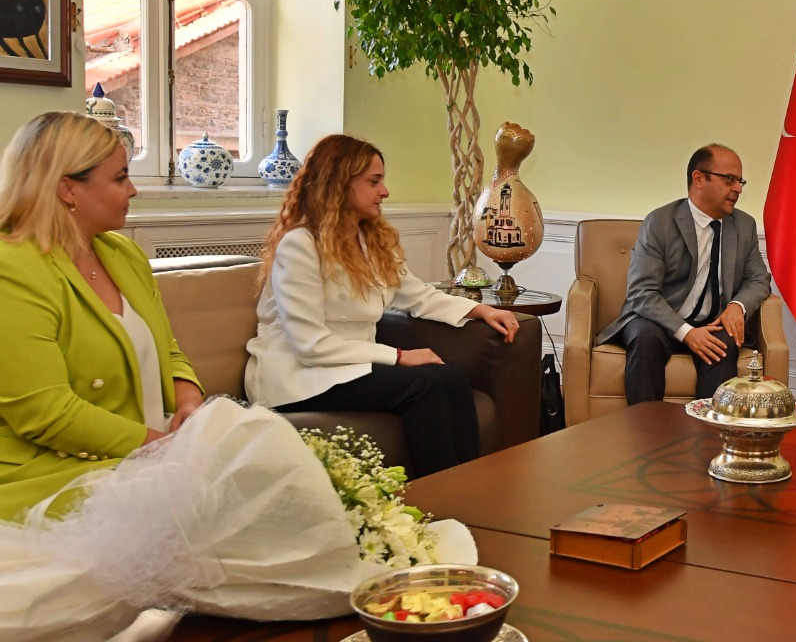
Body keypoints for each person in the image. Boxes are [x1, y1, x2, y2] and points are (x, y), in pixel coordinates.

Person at [245, 134, 520, 477]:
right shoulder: (299, 245)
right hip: (297, 374)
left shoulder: (371, 241)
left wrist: (480, 310)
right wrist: (400, 356)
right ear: (338, 184)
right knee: (424, 385)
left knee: (451, 377)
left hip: (351, 365)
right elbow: (309, 345)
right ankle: (440, 493)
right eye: (374, 182)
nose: (385, 191)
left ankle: (465, 485)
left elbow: (417, 296)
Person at [0, 112, 203, 521]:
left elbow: (167, 349)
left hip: (143, 455)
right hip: (53, 474)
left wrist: (189, 401)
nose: (133, 190)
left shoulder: (123, 254)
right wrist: (162, 450)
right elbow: (48, 413)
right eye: (120, 178)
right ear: (68, 189)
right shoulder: (12, 268)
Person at [595, 144, 771, 402]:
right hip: (659, 320)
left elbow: (758, 279)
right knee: (645, 337)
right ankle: (644, 425)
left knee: (724, 343)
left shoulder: (744, 225)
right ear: (698, 179)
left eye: (740, 181)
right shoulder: (660, 222)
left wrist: (738, 305)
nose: (738, 188)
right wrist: (686, 332)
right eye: (729, 180)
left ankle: (707, 426)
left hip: (712, 322)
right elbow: (641, 292)